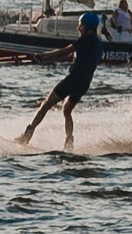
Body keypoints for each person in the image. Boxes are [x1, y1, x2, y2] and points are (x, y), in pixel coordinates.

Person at [18, 12, 105, 149]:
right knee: (66, 111)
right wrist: (47, 59)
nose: (78, 28)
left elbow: (65, 50)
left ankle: (27, 134)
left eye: (80, 26)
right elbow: (70, 57)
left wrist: (44, 55)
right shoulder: (98, 43)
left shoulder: (86, 40)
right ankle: (69, 140)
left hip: (75, 79)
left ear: (88, 28)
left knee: (46, 104)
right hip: (85, 83)